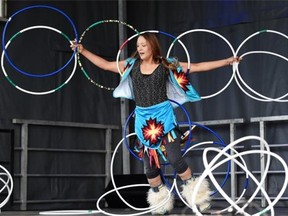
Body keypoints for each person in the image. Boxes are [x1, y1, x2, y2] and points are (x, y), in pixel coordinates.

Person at [71, 33, 240, 214]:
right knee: (150, 169)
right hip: (144, 124)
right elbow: (105, 65)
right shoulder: (131, 65)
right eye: (138, 46)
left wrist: (227, 61)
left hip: (164, 120)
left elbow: (197, 66)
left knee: (175, 159)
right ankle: (160, 205)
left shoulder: (167, 65)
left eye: (143, 45)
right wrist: (83, 50)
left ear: (152, 45)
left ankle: (200, 196)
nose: (140, 48)